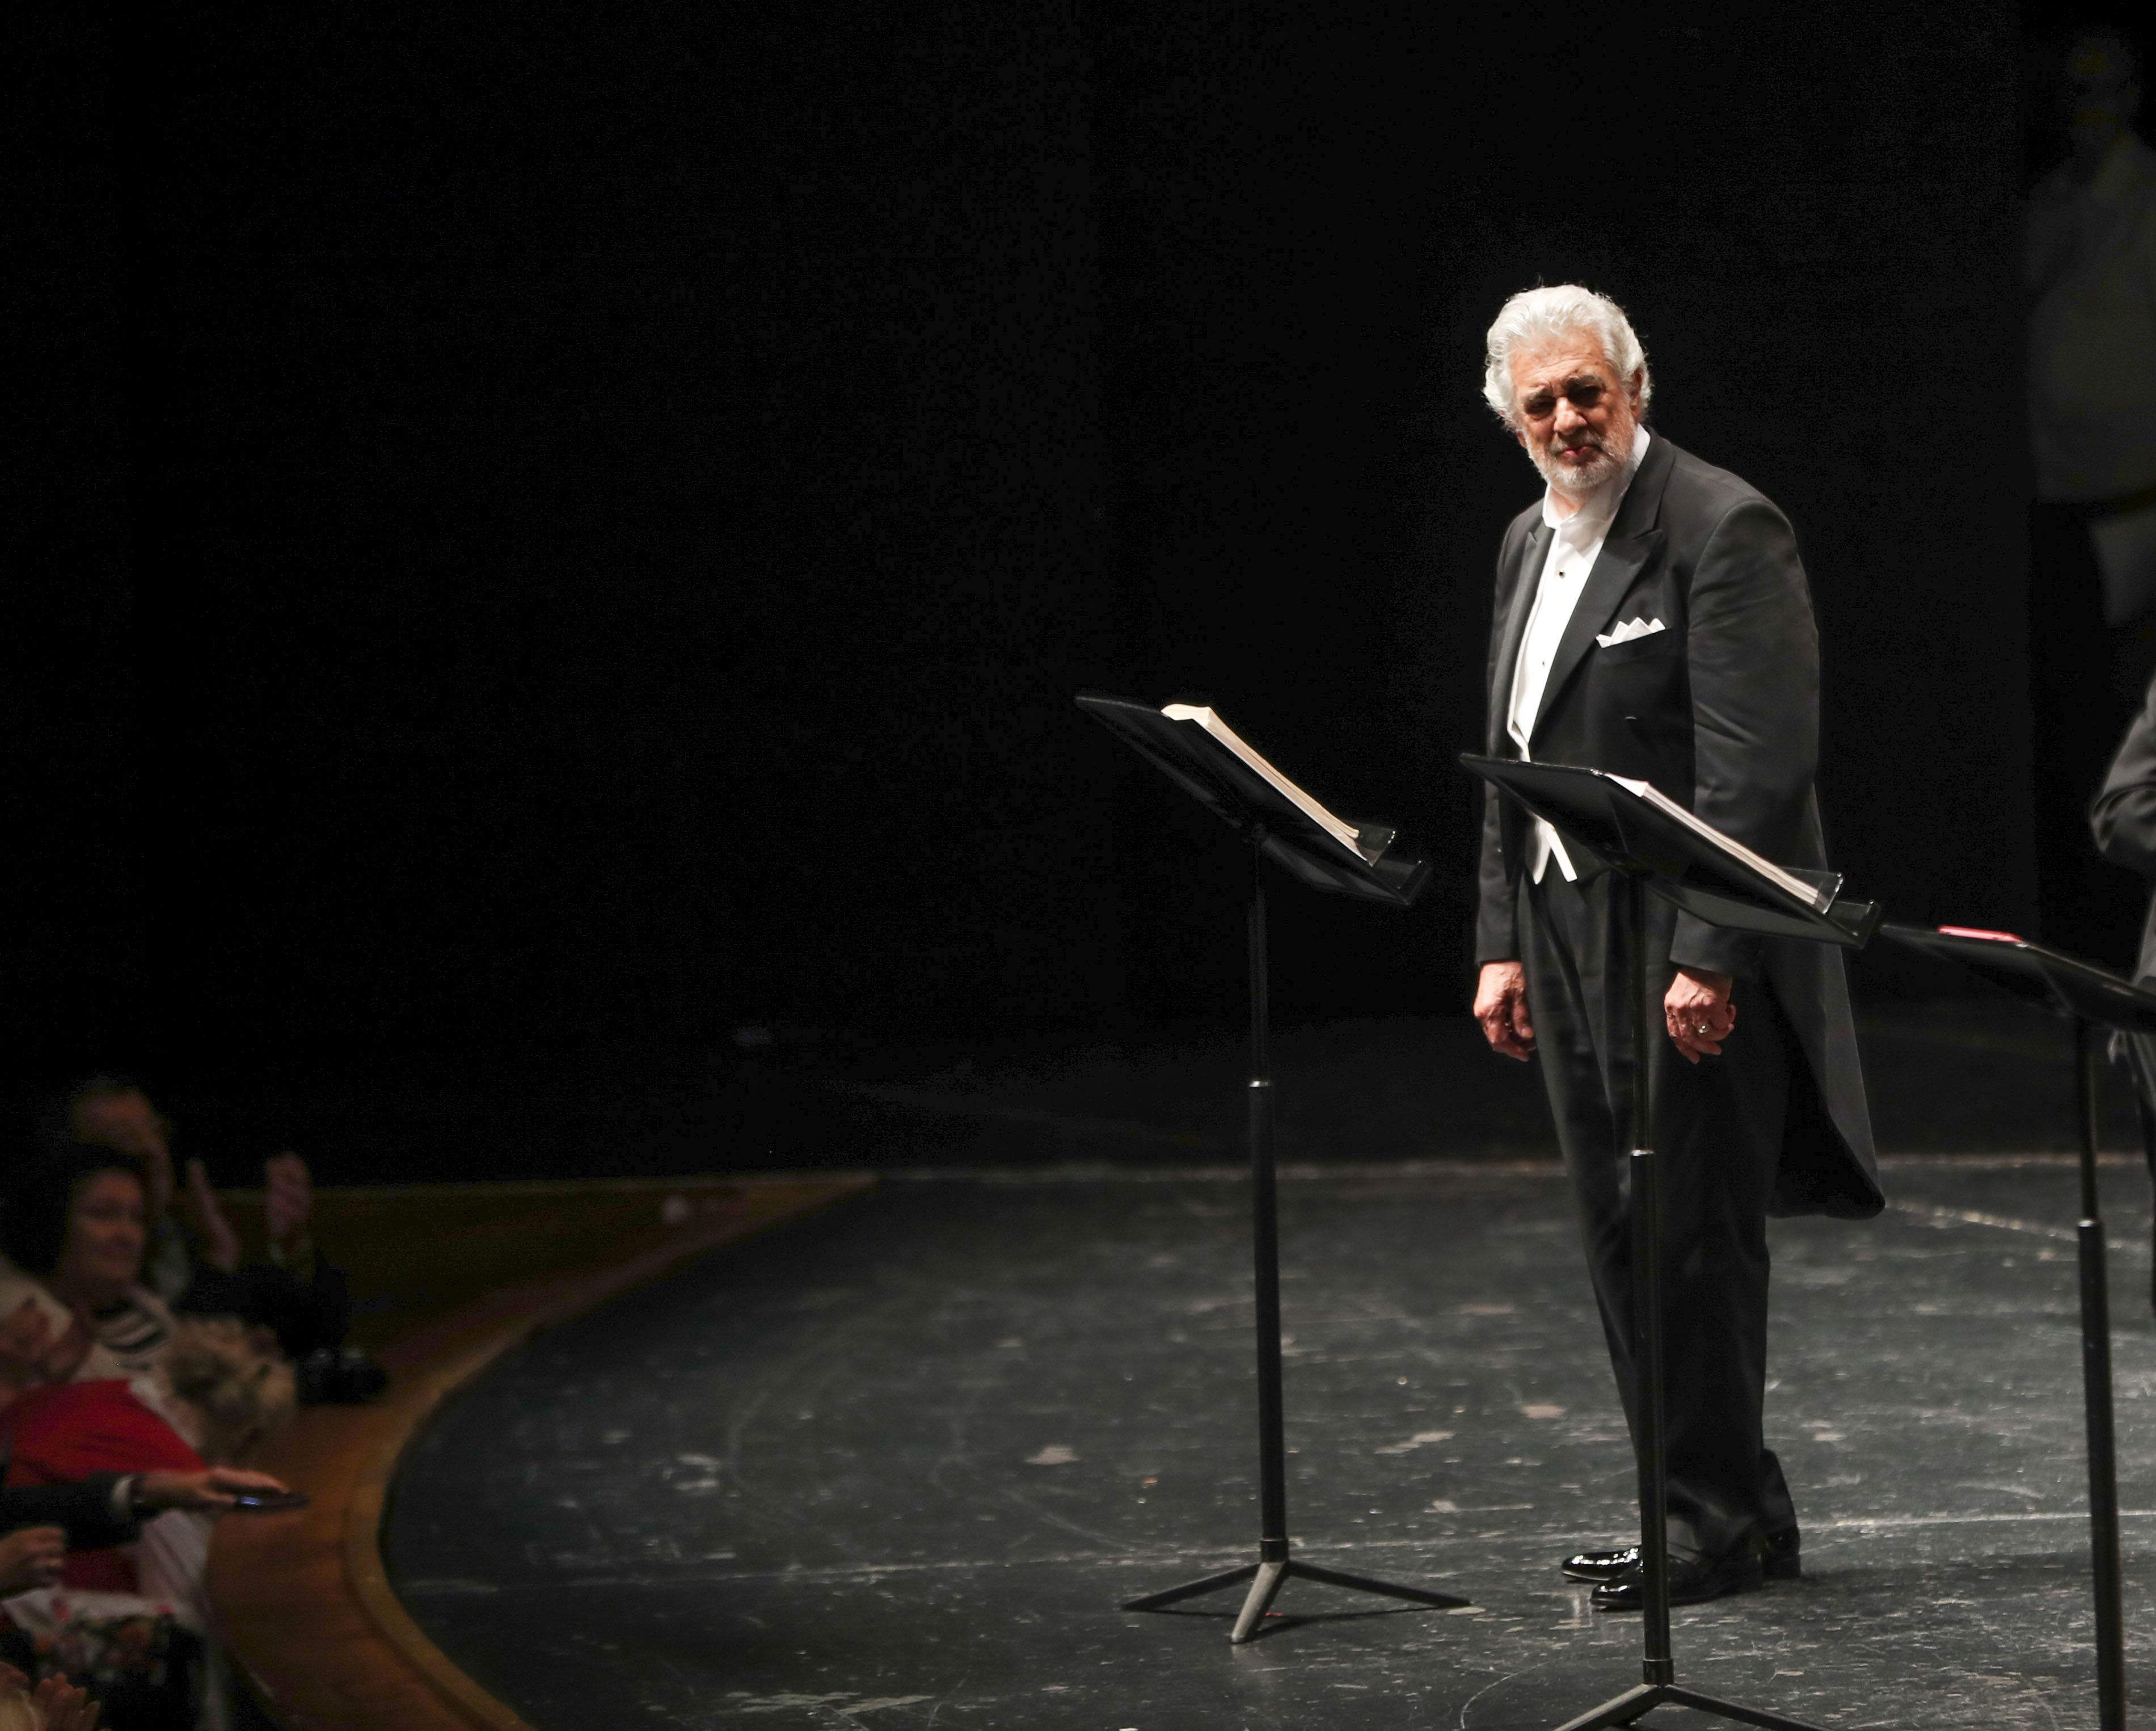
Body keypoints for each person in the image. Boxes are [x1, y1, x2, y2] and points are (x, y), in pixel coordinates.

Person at [1469, 284, 1883, 1608]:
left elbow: (1758, 774)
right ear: (1510, 419)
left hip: (1677, 931)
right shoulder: (1524, 542)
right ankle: (1713, 1504)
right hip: (1562, 922)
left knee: (1693, 1229)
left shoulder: (1720, 524)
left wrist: (1710, 948)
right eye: (1540, 403)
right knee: (1620, 1226)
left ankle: (1714, 1516)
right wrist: (1500, 936)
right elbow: (1514, 761)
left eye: (1588, 390)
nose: (1567, 419)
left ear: (1636, 387)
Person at [2025, 23, 2156, 966]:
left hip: (2139, 500)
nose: (2089, 110)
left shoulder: (2148, 198)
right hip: (2059, 498)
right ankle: (2106, 949)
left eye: (2105, 89)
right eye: (2074, 91)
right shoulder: (2050, 204)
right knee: (2092, 740)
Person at [58, 1080, 382, 1403]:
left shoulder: (188, 1225)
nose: (152, 1152)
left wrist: (293, 1246)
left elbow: (322, 1334)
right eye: (123, 1140)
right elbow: (164, 1374)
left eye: (153, 1132)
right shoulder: (93, 1256)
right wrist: (220, 1262)